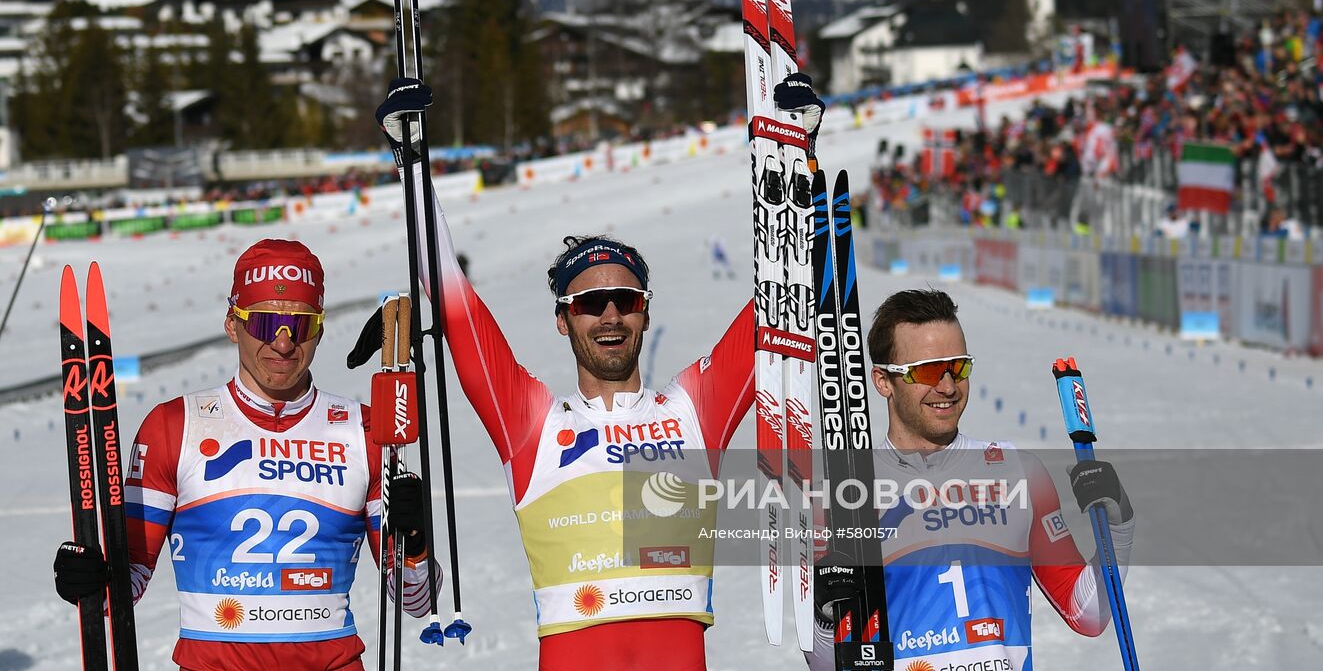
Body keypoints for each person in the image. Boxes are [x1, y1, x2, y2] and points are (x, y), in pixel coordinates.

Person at [366, 72, 825, 671]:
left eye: (626, 301)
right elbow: (455, 305)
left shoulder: (693, 411)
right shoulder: (530, 423)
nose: (610, 317)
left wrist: (798, 158)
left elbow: (782, 298)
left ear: (645, 313)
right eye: (588, 304)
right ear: (563, 320)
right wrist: (413, 163)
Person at [52, 239, 442, 671]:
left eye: (300, 325)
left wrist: (416, 545)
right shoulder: (174, 426)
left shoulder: (366, 431)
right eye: (264, 322)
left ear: (321, 329)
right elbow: (124, 589)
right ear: (232, 324)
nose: (282, 343)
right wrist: (88, 579)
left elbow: (415, 601)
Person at [808, 287, 1135, 670]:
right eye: (928, 371)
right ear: (883, 381)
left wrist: (1118, 524)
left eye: (958, 367)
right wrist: (825, 618)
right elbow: (828, 666)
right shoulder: (842, 495)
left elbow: (1089, 614)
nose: (947, 387)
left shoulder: (1019, 473)